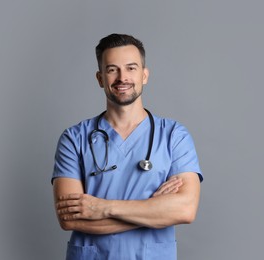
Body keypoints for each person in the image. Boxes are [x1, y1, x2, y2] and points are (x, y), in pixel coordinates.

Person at [52, 33, 203, 260]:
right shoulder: (74, 138)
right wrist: (153, 209)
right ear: (100, 78)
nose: (122, 77)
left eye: (131, 68)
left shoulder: (174, 136)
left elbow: (185, 210)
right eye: (112, 69)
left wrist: (103, 208)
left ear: (144, 75)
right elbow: (70, 218)